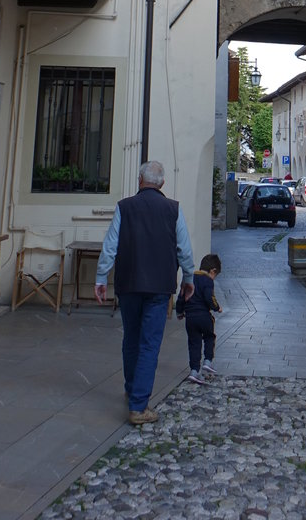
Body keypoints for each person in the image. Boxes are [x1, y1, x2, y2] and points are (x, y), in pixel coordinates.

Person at [94, 160, 194, 425]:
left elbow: (110, 245)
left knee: (131, 338)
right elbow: (184, 248)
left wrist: (101, 277)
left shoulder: (124, 207)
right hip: (160, 286)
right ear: (162, 183)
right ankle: (139, 406)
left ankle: (131, 388)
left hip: (128, 283)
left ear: (140, 180)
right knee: (150, 344)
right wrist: (189, 277)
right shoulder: (173, 209)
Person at [179, 253, 222, 384]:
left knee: (194, 343)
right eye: (215, 275)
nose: (214, 278)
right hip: (204, 316)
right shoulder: (208, 281)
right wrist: (217, 307)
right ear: (212, 271)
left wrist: (180, 312)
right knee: (209, 336)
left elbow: (181, 296)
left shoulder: (188, 278)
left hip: (190, 318)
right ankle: (208, 360)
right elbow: (210, 298)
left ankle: (194, 371)